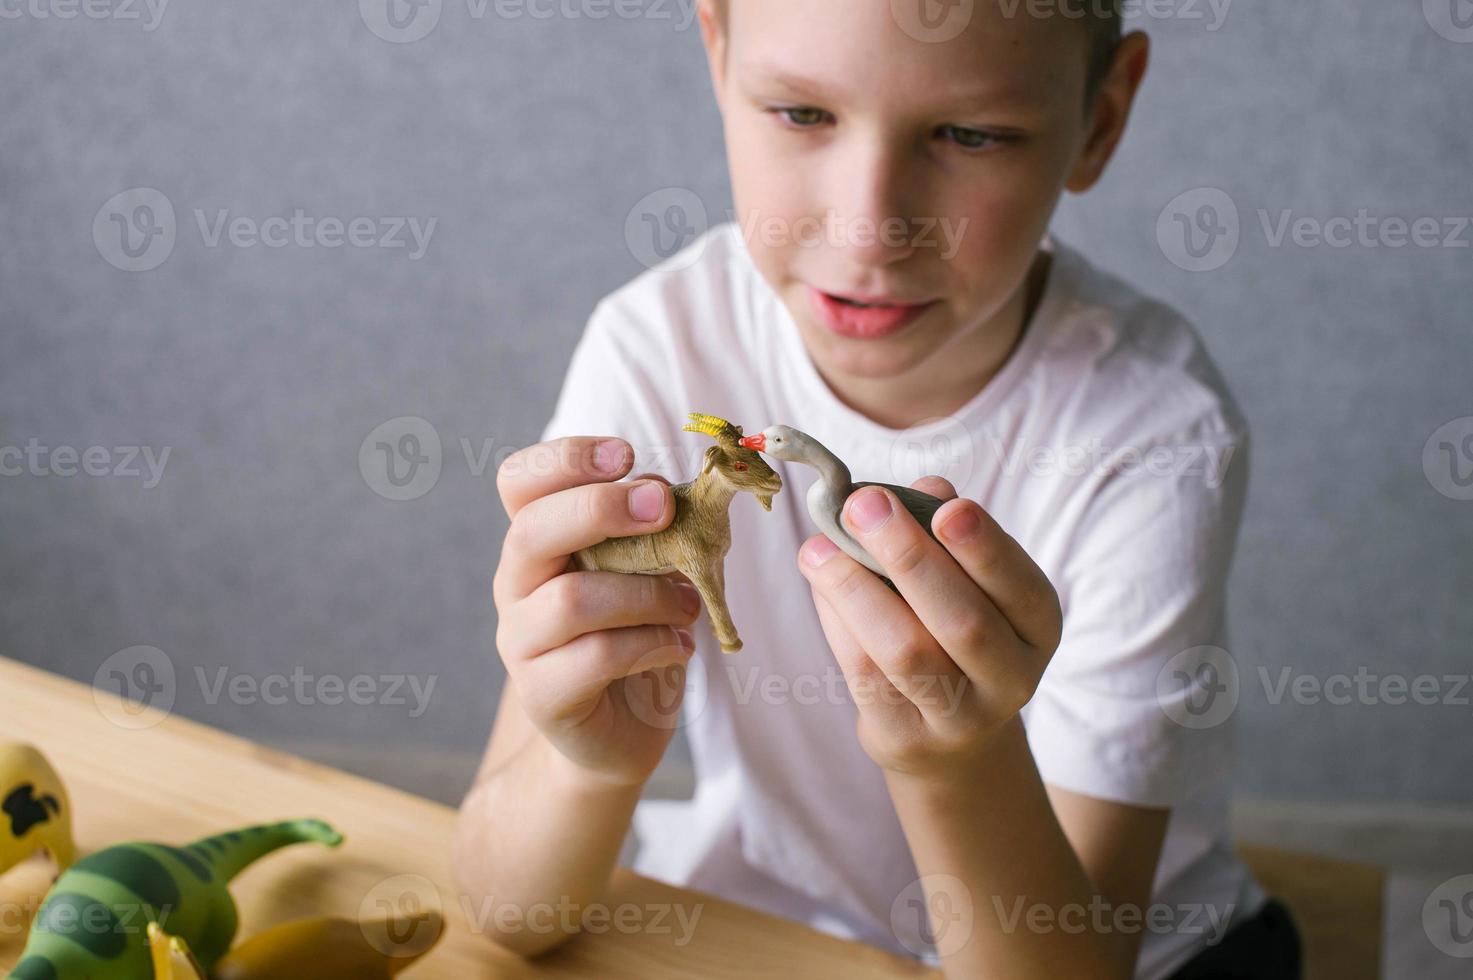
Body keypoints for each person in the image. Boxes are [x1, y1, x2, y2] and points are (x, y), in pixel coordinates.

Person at [453, 2, 1302, 977]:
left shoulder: (1153, 432)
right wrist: (586, 762)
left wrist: (958, 761)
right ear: (720, 57)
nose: (869, 228)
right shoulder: (658, 350)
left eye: (970, 134)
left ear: (1099, 119)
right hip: (787, 923)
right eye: (802, 114)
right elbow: (507, 908)